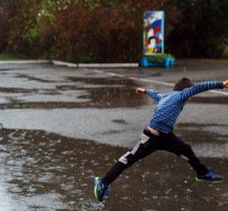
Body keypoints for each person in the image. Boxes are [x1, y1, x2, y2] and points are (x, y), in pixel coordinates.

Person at [93, 78, 228, 202]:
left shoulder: (166, 96)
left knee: (186, 150)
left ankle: (202, 173)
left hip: (166, 137)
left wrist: (145, 91)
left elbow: (155, 94)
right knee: (128, 159)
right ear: (185, 90)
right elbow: (200, 87)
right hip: (151, 138)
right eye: (189, 92)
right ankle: (103, 182)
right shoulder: (181, 95)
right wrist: (221, 84)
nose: (190, 96)